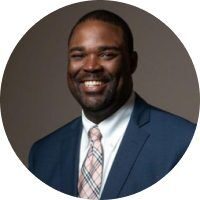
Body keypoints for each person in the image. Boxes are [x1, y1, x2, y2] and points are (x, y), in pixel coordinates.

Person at [29, 10, 196, 199]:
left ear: (132, 63)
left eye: (107, 54)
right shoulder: (42, 154)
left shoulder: (184, 144)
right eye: (78, 55)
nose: (91, 66)